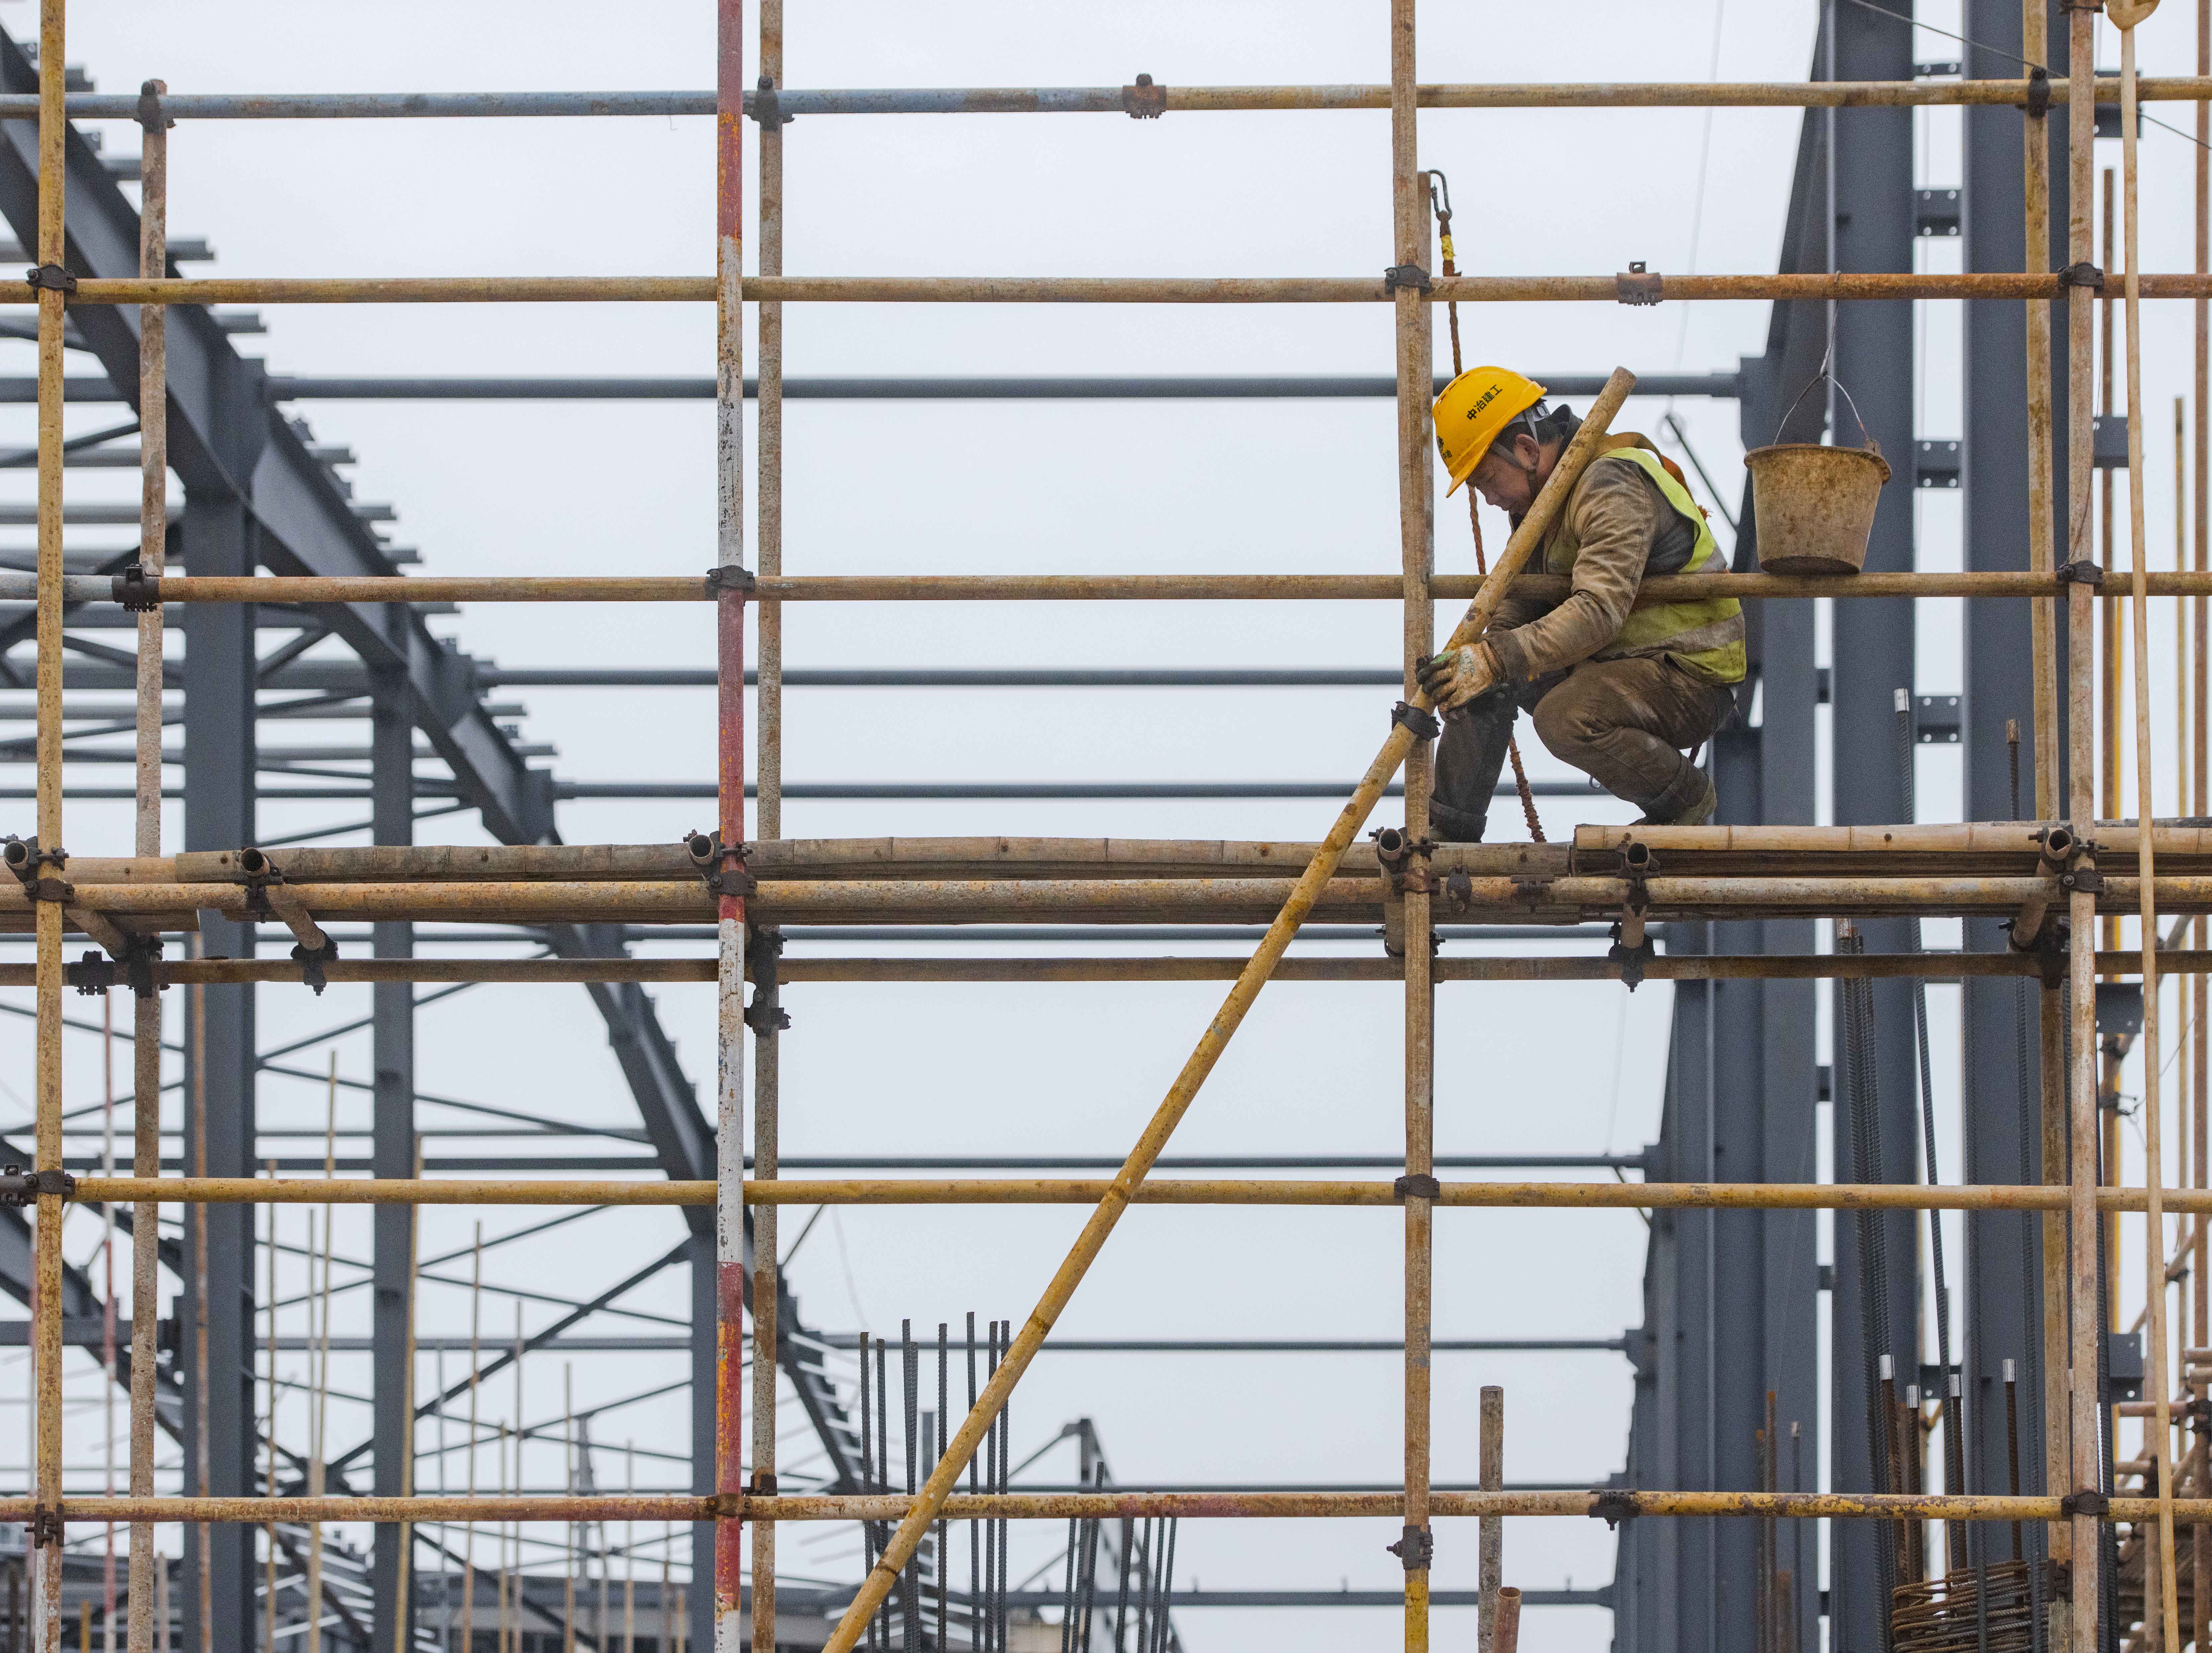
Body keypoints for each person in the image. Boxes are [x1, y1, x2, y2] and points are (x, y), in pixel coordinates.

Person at [1414, 367, 1744, 839]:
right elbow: (1520, 602)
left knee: (1564, 717)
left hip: (1687, 675)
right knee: (1481, 680)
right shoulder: (1542, 504)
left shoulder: (1610, 484)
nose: (1488, 500)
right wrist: (1474, 662)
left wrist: (1494, 657)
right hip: (1616, 664)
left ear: (1526, 450)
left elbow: (1598, 610)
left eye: (1486, 480)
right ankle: (1447, 832)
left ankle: (1683, 798)